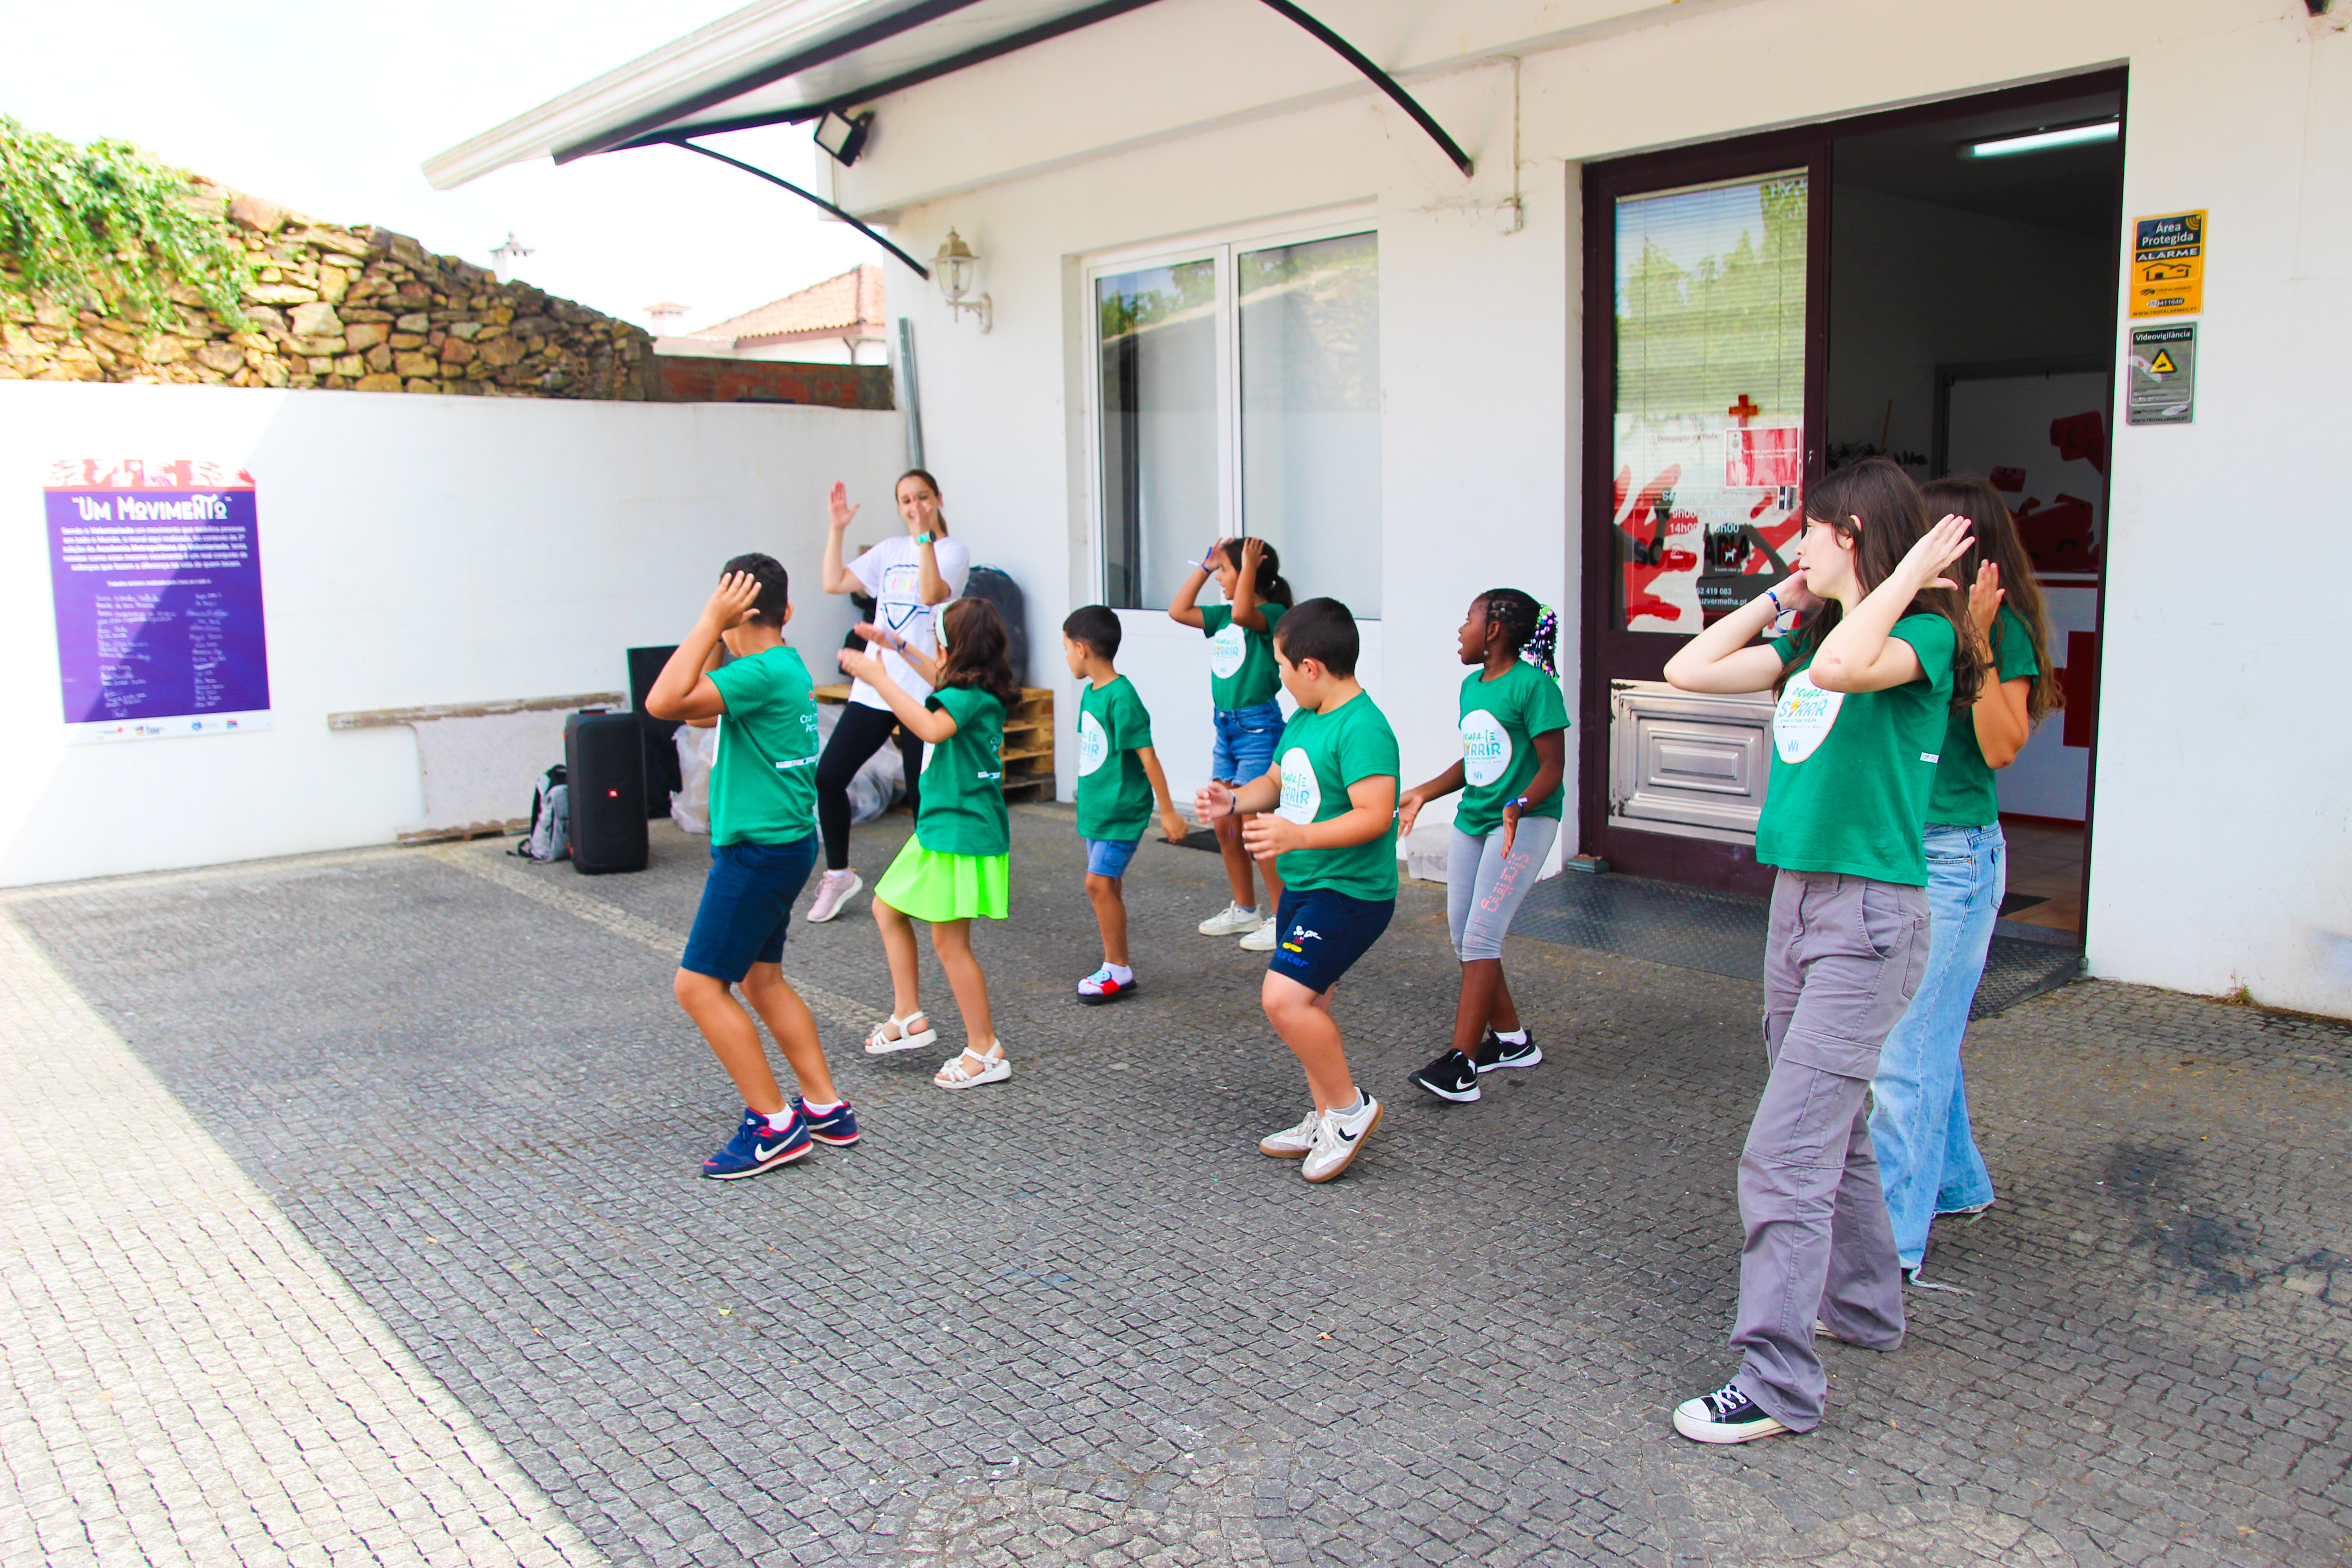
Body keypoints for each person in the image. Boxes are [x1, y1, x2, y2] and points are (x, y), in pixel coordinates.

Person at [1659, 457, 1982, 1443]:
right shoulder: (1810, 638)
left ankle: (1777, 1382)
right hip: (1796, 905)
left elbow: (1849, 668)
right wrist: (1780, 599)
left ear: (1851, 535)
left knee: (1784, 1154)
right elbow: (1687, 671)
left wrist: (1904, 575)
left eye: (1808, 531)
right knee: (1829, 1131)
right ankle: (1866, 1308)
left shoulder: (1920, 635)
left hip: (1868, 919)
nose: (1793, 544)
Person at [1870, 475, 2064, 1280]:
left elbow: (1999, 747)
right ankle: (1954, 1183)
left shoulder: (1996, 628)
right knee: (1925, 1039)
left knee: (1905, 1054)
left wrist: (1979, 640)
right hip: (1900, 849)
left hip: (1953, 857)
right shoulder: (1909, 622)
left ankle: (1884, 1256)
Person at [644, 554, 857, 1179]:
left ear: (734, 612)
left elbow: (661, 701)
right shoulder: (782, 666)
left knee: (697, 987)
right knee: (762, 982)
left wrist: (709, 622)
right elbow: (696, 711)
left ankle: (774, 1125)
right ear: (787, 612)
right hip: (784, 845)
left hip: (756, 853)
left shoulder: (757, 673)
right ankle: (825, 1108)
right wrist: (720, 633)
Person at [1196, 598, 1399, 1184]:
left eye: (1282, 666)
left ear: (1311, 667)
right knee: (1310, 1007)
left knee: (1283, 1001)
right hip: (1306, 888)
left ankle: (1350, 1112)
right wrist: (1234, 799)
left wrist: (1297, 834)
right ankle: (1326, 1118)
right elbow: (1276, 781)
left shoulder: (1364, 728)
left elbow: (1375, 815)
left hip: (1350, 893)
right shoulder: (1306, 719)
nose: (1279, 677)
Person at [837, 597, 1019, 1089]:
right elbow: (937, 676)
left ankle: (986, 1050)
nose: (933, 652)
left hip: (958, 830)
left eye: (936, 641)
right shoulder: (979, 689)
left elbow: (929, 727)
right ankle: (908, 1016)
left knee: (950, 944)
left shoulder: (962, 699)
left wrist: (879, 680)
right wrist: (896, 645)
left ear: (953, 648)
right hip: (943, 826)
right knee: (887, 907)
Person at [1396, 590, 1570, 1102]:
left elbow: (1553, 766)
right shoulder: (1472, 687)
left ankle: (1462, 1064)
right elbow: (1475, 760)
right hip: (1473, 821)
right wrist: (1425, 792)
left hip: (1524, 823)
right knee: (1464, 936)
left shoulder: (1534, 687)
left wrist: (1520, 804)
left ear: (1493, 629)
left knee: (1480, 938)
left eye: (1468, 619)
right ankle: (1513, 1042)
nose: (1460, 630)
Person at [808, 469, 972, 922]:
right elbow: (834, 582)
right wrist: (837, 528)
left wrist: (924, 539)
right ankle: (839, 875)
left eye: (922, 498)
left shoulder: (952, 552)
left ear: (938, 498)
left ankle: (932, 882)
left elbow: (932, 594)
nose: (914, 507)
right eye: (906, 501)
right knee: (829, 776)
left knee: (923, 795)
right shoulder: (888, 550)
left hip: (923, 688)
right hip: (876, 685)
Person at [1168, 536, 1294, 953]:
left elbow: (1244, 613)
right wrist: (1205, 567)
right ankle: (1245, 909)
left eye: (1226, 571)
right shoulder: (1222, 616)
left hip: (1258, 730)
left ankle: (1283, 918)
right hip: (1226, 731)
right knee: (1223, 822)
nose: (1219, 578)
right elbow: (1177, 611)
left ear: (1249, 574)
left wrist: (1247, 567)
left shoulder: (1271, 615)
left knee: (1256, 826)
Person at [1062, 605, 1188, 1003]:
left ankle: (1117, 968)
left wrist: (1168, 811)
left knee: (1097, 884)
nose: (1066, 657)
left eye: (1066, 648)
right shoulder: (1091, 694)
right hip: (1097, 812)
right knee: (1108, 886)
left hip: (1122, 813)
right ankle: (1115, 963)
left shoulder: (1122, 697)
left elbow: (1148, 757)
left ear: (1081, 649)